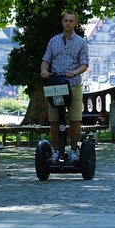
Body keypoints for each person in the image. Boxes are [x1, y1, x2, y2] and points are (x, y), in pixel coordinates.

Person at [40, 10, 89, 162]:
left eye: (71, 21)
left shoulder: (81, 42)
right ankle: (56, 151)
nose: (68, 23)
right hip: (55, 84)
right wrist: (43, 70)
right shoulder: (53, 41)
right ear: (62, 22)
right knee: (54, 120)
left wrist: (74, 72)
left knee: (75, 119)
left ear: (75, 23)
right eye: (66, 20)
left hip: (72, 84)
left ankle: (74, 150)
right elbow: (46, 60)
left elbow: (84, 64)